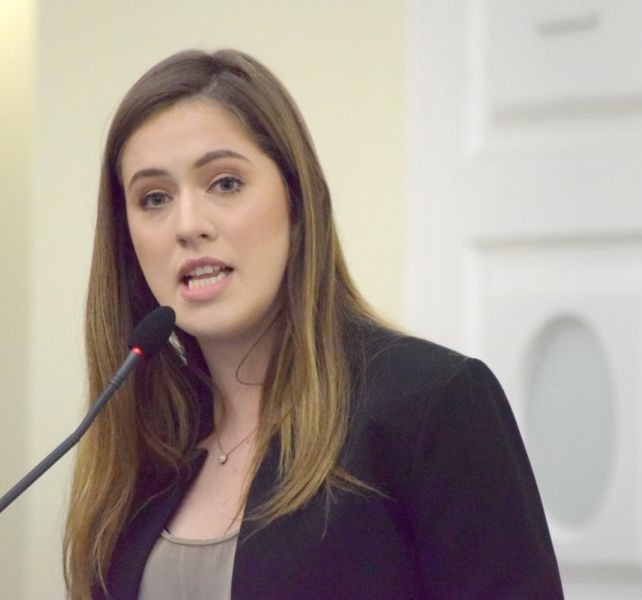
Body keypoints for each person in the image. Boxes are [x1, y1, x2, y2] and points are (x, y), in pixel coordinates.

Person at [64, 49, 564, 600]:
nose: (188, 225)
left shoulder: (431, 403)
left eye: (225, 183)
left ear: (297, 203)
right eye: (154, 198)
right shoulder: (144, 446)